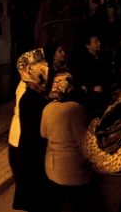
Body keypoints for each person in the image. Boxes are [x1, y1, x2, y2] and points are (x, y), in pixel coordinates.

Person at [41, 72, 92, 212]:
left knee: (57, 203)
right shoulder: (77, 109)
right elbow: (84, 142)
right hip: (74, 171)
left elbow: (43, 133)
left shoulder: (47, 108)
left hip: (52, 167)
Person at [10, 47, 53, 212]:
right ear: (30, 70)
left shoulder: (34, 89)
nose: (45, 67)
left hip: (29, 147)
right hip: (27, 148)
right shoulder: (27, 93)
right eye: (40, 64)